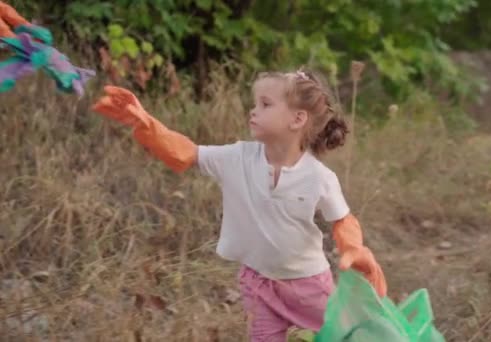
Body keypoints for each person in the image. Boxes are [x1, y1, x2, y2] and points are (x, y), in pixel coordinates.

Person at [91, 69, 387, 341]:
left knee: (344, 338)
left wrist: (353, 249)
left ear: (297, 119)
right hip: (258, 283)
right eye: (255, 103)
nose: (253, 110)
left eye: (265, 104)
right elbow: (187, 153)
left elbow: (342, 220)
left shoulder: (319, 177)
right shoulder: (237, 158)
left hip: (307, 285)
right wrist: (147, 124)